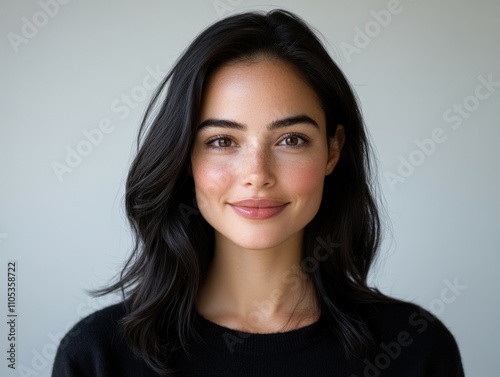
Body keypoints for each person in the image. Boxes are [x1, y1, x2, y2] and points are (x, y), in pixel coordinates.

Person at [52, 9, 464, 377]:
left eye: (291, 140)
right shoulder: (98, 356)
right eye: (222, 141)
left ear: (333, 150)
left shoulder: (415, 350)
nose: (257, 175)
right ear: (184, 156)